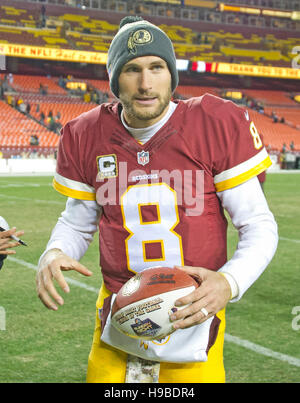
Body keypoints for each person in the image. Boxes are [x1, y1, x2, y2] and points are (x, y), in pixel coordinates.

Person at [36, 16, 278, 383]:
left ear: (171, 74)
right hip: (121, 307)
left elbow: (258, 225)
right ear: (115, 78)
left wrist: (229, 282)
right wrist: (53, 251)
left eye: (156, 67)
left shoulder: (214, 123)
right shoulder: (85, 134)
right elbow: (76, 222)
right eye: (132, 69)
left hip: (193, 312)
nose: (146, 83)